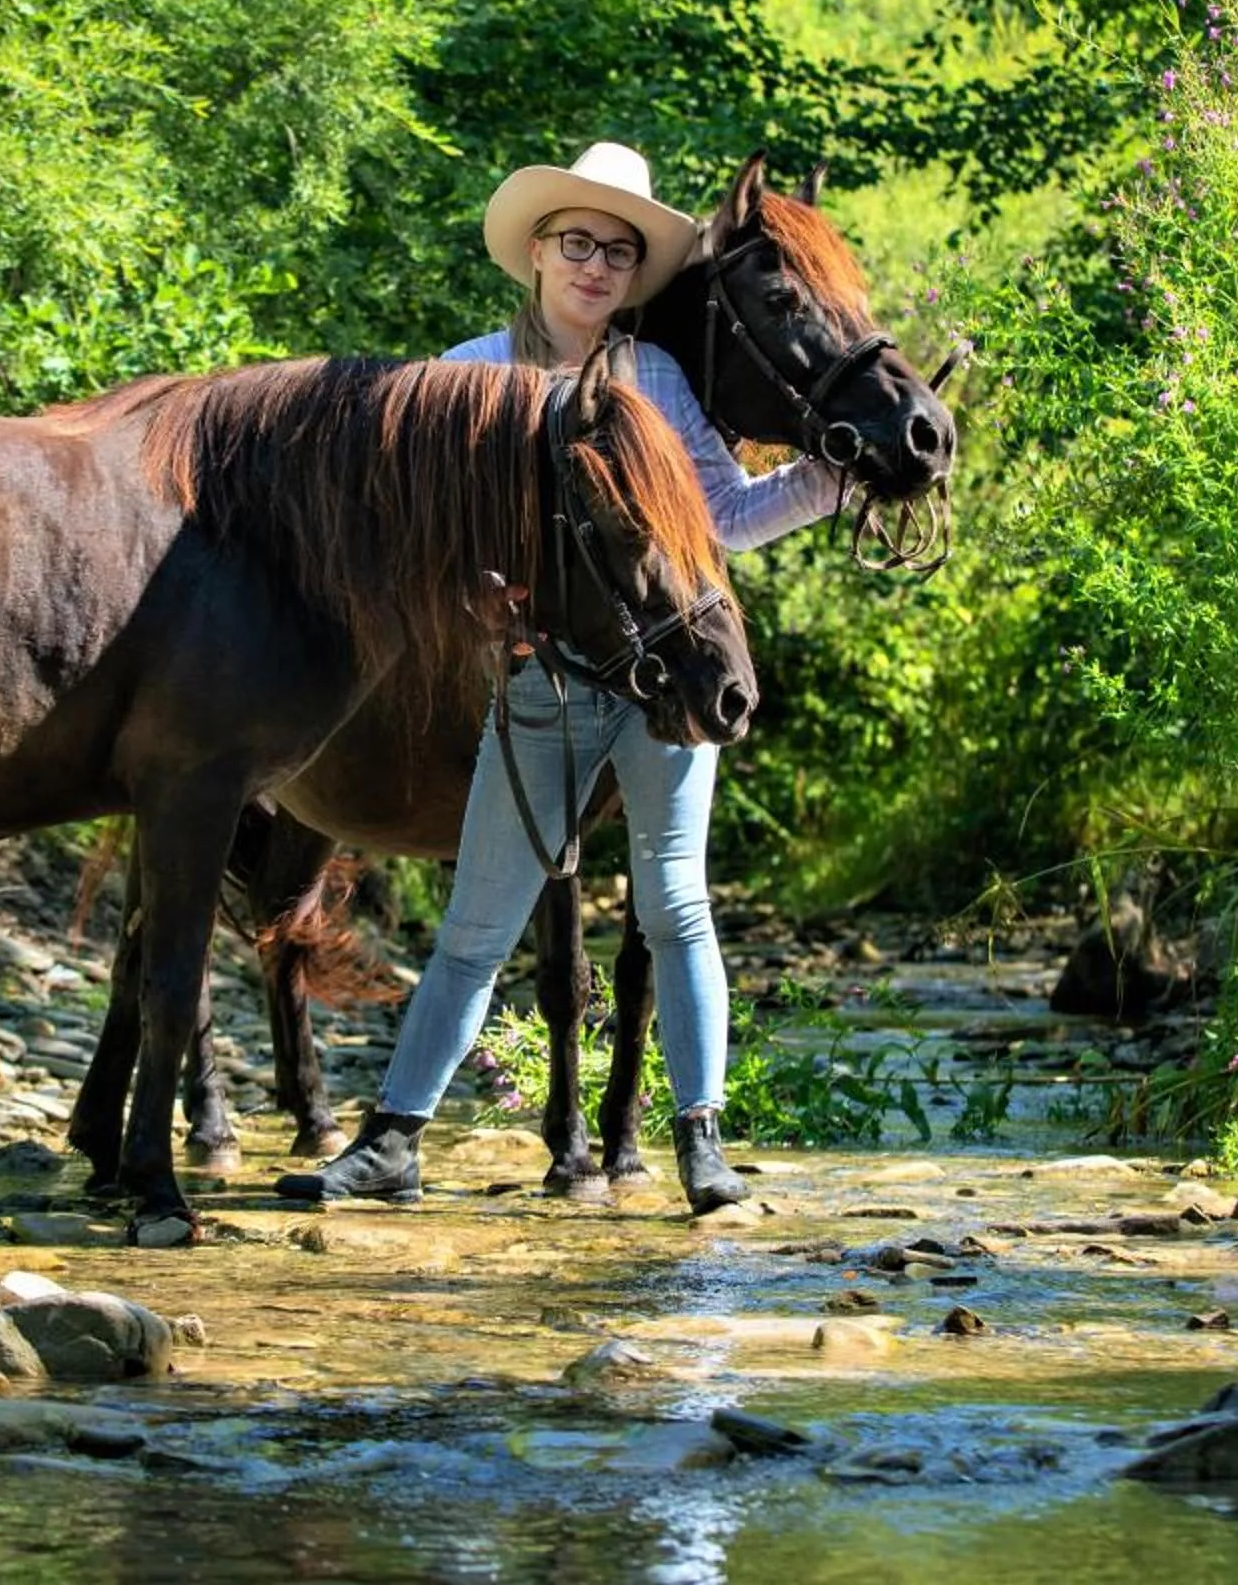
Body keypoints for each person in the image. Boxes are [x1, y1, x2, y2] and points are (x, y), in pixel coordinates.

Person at [275, 142, 843, 1215]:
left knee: (677, 907)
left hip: (665, 685)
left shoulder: (659, 379)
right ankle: (393, 1140)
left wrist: (822, 481)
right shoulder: (465, 373)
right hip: (539, 679)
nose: (595, 266)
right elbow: (413, 535)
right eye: (576, 243)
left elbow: (722, 520)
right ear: (536, 253)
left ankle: (701, 1145)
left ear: (633, 275)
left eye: (618, 252)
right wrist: (473, 606)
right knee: (477, 926)